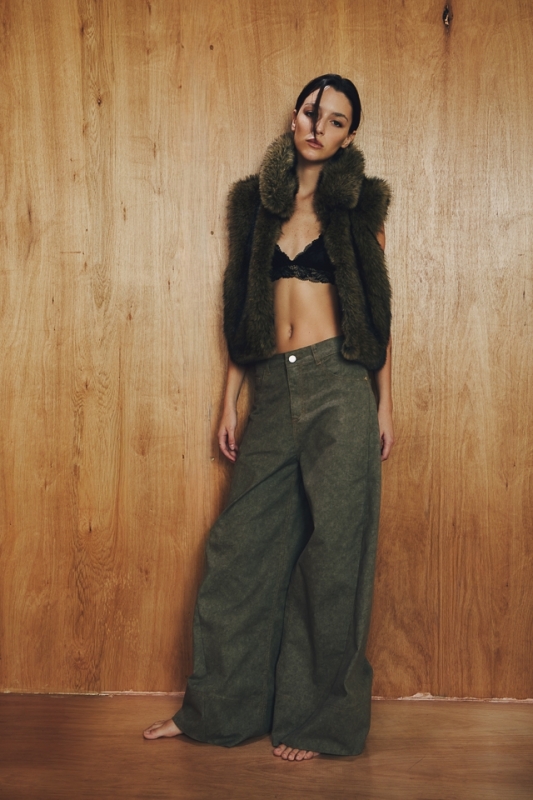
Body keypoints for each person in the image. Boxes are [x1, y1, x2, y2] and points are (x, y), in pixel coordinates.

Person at [144, 74, 393, 762]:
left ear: (347, 136)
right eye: (312, 111)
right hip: (271, 388)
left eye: (335, 120)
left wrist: (384, 403)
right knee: (240, 549)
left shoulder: (359, 206)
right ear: (295, 118)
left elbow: (376, 311)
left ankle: (318, 724)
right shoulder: (254, 205)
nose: (319, 125)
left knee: (336, 555)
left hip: (339, 384)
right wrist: (231, 396)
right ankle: (216, 711)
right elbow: (242, 307)